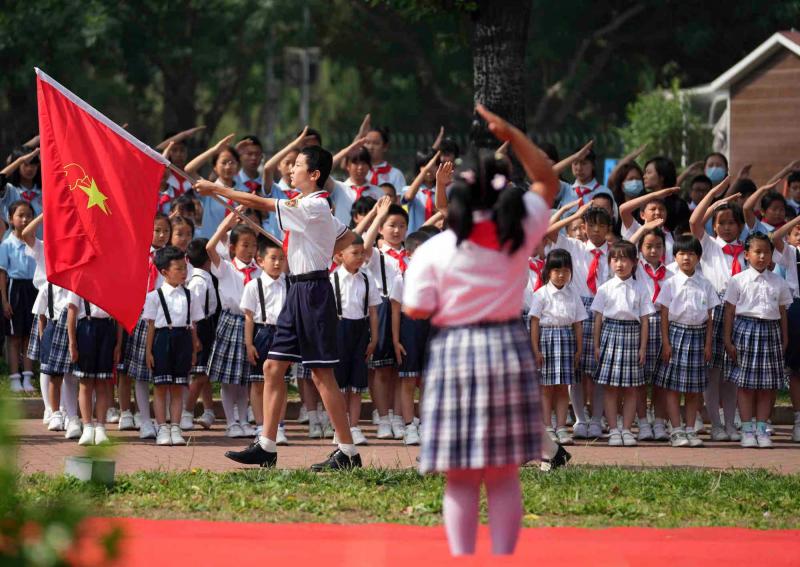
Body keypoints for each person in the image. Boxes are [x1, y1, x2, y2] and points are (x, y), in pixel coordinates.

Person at [402, 105, 557, 556]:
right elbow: (547, 181)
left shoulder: (436, 250)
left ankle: (462, 558)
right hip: (508, 346)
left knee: (462, 475)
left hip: (455, 349)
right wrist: (513, 133)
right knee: (504, 472)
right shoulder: (521, 230)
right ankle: (504, 558)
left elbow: (415, 308)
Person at [197, 145, 360, 471]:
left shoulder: (314, 205)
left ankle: (348, 452)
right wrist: (320, 245)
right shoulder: (310, 209)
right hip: (296, 289)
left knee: (320, 373)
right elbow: (347, 236)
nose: (291, 169)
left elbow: (262, 202)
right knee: (273, 367)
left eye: (297, 165)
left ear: (314, 175)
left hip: (313, 291)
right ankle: (267, 446)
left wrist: (216, 188)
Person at [546, 205, 614, 439]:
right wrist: (574, 213)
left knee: (599, 369)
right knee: (576, 369)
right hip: (577, 308)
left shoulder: (614, 251)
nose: (595, 230)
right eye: (591, 225)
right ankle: (580, 419)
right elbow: (550, 230)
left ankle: (596, 418)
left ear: (608, 229)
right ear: (584, 227)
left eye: (601, 226)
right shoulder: (573, 246)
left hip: (604, 309)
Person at [689, 178, 746, 442]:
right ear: (714, 226)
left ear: (741, 226)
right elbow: (693, 222)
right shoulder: (710, 246)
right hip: (716, 309)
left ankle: (731, 422)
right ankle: (715, 423)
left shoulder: (747, 251)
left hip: (741, 311)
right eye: (721, 223)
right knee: (712, 370)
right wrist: (714, 197)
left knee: (733, 371)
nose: (726, 227)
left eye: (732, 223)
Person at [723, 232, 792, 448]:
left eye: (767, 252)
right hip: (745, 331)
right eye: (757, 252)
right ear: (746, 254)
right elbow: (729, 312)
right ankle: (747, 429)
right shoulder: (737, 280)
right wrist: (727, 339)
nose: (762, 257)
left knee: (767, 386)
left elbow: (782, 312)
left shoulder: (778, 282)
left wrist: (785, 338)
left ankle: (762, 429)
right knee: (745, 385)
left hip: (771, 332)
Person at [654, 234, 719, 448]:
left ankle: (690, 429)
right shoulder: (670, 283)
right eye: (681, 254)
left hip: (698, 336)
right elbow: (664, 314)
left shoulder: (705, 284)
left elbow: (710, 317)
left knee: (694, 388)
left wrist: (708, 343)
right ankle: (676, 430)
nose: (686, 258)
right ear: (674, 257)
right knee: (673, 387)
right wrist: (666, 342)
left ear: (699, 258)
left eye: (691, 254)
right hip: (676, 334)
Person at [591, 240, 655, 447]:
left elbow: (645, 320)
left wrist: (643, 347)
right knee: (610, 388)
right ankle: (613, 429)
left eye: (625, 259)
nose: (620, 264)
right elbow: (598, 319)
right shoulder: (605, 288)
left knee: (631, 388)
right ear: (609, 262)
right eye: (615, 259)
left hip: (632, 335)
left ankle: (627, 429)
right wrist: (597, 345)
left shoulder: (641, 288)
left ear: (634, 262)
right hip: (610, 334)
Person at [206, 214, 261, 438]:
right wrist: (226, 224)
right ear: (232, 247)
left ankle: (244, 419)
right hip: (232, 320)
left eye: (253, 245)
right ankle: (231, 422)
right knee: (230, 379)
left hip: (254, 323)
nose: (249, 250)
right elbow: (210, 247)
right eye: (244, 245)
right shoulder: (227, 268)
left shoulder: (260, 269)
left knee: (247, 378)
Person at [143, 246, 203, 446]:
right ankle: (162, 427)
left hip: (183, 339)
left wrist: (194, 347)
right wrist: (148, 351)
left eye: (184, 268)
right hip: (162, 339)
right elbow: (151, 326)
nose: (183, 272)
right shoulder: (154, 296)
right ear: (164, 272)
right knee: (161, 387)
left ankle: (175, 427)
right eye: (178, 269)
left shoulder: (190, 295)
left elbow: (193, 324)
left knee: (178, 386)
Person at [120, 214, 171, 440]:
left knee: (164, 374)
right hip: (142, 316)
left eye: (165, 231)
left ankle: (165, 420)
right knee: (140, 373)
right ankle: (144, 420)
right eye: (157, 230)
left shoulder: (174, 258)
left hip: (166, 319)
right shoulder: (137, 255)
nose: (161, 235)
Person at [528, 248, 587, 446]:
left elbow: (578, 323)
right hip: (547, 339)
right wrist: (535, 349)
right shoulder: (541, 294)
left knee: (563, 387)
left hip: (567, 338)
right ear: (548, 272)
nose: (561, 275)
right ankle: (546, 427)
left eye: (565, 270)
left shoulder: (573, 294)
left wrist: (579, 348)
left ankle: (562, 427)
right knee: (546, 388)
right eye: (556, 270)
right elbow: (534, 323)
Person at [362, 199, 409, 440]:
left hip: (408, 313)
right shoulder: (377, 255)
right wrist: (377, 216)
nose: (396, 230)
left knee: (402, 370)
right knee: (381, 370)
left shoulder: (411, 255)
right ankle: (382, 417)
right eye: (391, 225)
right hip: (382, 308)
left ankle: (398, 417)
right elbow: (364, 246)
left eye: (401, 225)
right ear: (381, 228)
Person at [331, 234, 381, 446]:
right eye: (355, 253)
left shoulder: (367, 278)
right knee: (340, 384)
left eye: (362, 253)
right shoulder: (332, 279)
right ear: (340, 255)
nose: (360, 257)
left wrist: (374, 338)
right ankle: (340, 427)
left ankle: (354, 426)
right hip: (339, 330)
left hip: (361, 331)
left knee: (357, 383)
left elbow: (373, 311)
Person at [241, 238, 290, 444]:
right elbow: (249, 317)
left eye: (281, 258)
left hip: (284, 334)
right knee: (258, 382)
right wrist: (249, 344)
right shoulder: (254, 285)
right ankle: (261, 425)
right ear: (260, 261)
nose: (277, 263)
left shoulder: (289, 284)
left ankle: (278, 426)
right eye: (273, 258)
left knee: (281, 381)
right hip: (262, 333)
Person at [628, 222, 673, 441]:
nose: (653, 250)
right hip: (641, 324)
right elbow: (626, 247)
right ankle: (643, 421)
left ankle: (659, 421)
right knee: (638, 378)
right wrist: (642, 230)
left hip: (664, 324)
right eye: (648, 246)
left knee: (661, 378)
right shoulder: (635, 268)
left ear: (664, 249)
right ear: (640, 249)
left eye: (658, 246)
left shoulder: (671, 272)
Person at [389, 230, 432, 446]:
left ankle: (425, 424)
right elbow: (396, 311)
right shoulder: (401, 278)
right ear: (409, 254)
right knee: (407, 380)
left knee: (426, 381)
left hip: (430, 332)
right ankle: (408, 426)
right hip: (409, 331)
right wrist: (396, 340)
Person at [66, 292, 118, 446]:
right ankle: (88, 426)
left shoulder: (111, 281)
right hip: (86, 328)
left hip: (107, 329)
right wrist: (72, 342)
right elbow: (72, 310)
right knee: (85, 382)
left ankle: (101, 427)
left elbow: (119, 315)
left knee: (102, 382)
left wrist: (119, 344)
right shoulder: (80, 281)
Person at [183, 238, 220, 431]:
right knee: (200, 374)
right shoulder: (198, 282)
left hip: (207, 325)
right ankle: (186, 412)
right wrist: (195, 338)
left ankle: (208, 410)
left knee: (205, 371)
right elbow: (193, 313)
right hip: (201, 327)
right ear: (209, 259)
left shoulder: (204, 277)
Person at [0, 200, 37, 392]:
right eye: (20, 216)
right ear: (11, 219)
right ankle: (15, 377)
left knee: (30, 336)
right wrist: (5, 300)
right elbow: (2, 274)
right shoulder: (7, 244)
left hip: (33, 289)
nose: (24, 219)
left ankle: (28, 377)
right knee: (14, 336)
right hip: (15, 289)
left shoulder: (35, 243)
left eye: (28, 216)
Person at [770, 215, 800, 442]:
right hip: (797, 309)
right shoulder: (790, 254)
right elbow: (775, 236)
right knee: (797, 370)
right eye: (798, 231)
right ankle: (799, 420)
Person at [328, 146, 382, 226]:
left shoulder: (379, 192)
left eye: (364, 163)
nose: (360, 167)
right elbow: (323, 171)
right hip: (342, 236)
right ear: (347, 165)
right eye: (355, 163)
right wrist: (345, 151)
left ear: (369, 166)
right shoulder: (338, 188)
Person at [643, 156, 690, 233]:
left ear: (662, 177)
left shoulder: (678, 205)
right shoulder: (642, 200)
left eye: (649, 172)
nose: (644, 176)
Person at [402, 150, 441, 233]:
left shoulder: (443, 191)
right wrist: (425, 169)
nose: (429, 169)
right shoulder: (408, 189)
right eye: (424, 165)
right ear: (418, 168)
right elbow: (408, 196)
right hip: (414, 237)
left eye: (434, 165)